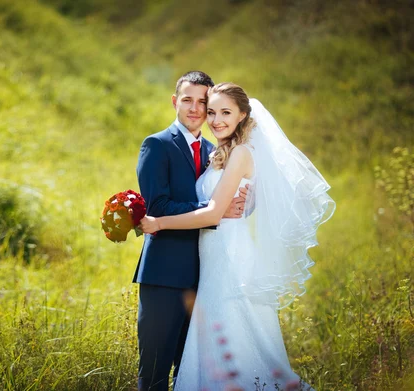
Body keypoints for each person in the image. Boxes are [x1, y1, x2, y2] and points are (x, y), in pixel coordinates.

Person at [140, 82, 335, 390]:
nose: (216, 120)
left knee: (236, 339)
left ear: (244, 115)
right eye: (213, 112)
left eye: (226, 113)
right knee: (220, 342)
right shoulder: (221, 152)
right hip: (214, 258)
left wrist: (158, 223)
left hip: (230, 258)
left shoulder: (241, 153)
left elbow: (214, 213)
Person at [134, 72, 249, 391]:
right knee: (155, 372)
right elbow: (156, 206)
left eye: (204, 102)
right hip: (165, 276)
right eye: (188, 100)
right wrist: (214, 207)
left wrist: (238, 205)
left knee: (193, 375)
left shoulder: (217, 150)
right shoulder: (156, 145)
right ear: (175, 101)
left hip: (206, 279)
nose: (197, 109)